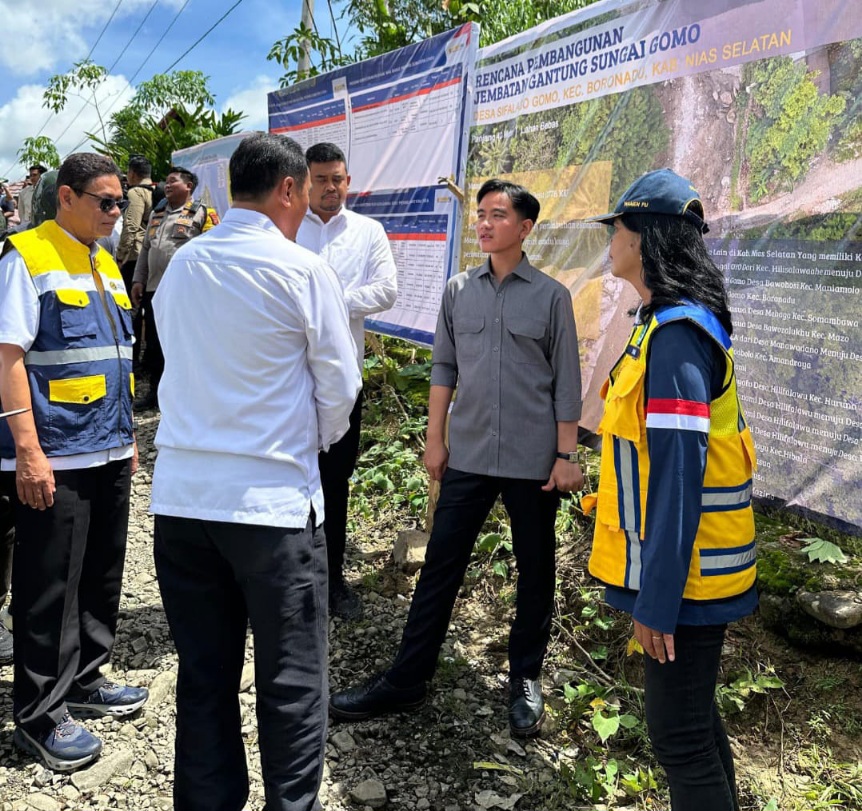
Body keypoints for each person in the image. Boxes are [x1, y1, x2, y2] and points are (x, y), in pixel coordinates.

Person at [151, 132, 360, 811]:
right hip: (271, 510)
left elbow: (172, 361)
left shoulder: (183, 264)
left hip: (183, 503)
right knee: (293, 681)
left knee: (205, 675)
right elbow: (339, 387)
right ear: (290, 189)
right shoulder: (301, 270)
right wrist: (311, 444)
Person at [330, 179, 583, 738]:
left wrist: (566, 454)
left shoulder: (550, 297)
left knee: (535, 572)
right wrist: (435, 438)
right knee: (441, 567)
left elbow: (568, 384)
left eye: (498, 215)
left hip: (532, 460)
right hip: (467, 452)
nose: (486, 224)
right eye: (481, 215)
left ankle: (525, 679)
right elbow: (444, 369)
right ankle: (407, 677)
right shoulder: (458, 290)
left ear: (525, 228)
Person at [583, 169, 758, 811]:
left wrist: (657, 601)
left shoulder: (679, 335)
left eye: (618, 228)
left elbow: (679, 478)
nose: (612, 240)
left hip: (687, 580)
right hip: (684, 570)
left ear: (646, 238)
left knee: (678, 734)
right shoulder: (659, 324)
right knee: (692, 722)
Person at [0, 153, 149, 772]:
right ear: (66, 197)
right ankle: (39, 713)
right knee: (47, 586)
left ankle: (85, 679)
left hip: (108, 446)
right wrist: (29, 452)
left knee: (100, 574)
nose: (117, 213)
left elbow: (117, 353)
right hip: (55, 455)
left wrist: (130, 434)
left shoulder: (105, 261)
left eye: (120, 203)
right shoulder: (27, 256)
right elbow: (7, 358)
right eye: (107, 202)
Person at [296, 142, 397, 619]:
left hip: (342, 383)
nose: (330, 187)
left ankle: (333, 582)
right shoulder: (287, 229)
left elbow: (386, 289)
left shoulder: (368, 231)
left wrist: (329, 300)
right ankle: (287, 581)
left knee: (336, 484)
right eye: (321, 179)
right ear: (303, 180)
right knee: (288, 478)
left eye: (338, 178)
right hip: (289, 381)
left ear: (347, 181)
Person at [131, 166, 219, 410]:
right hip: (154, 289)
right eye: (165, 181)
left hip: (185, 290)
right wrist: (138, 280)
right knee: (156, 345)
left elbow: (210, 251)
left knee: (184, 342)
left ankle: (190, 394)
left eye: (172, 181)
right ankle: (157, 393)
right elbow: (146, 249)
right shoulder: (156, 214)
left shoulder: (203, 213)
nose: (166, 185)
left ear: (188, 186)